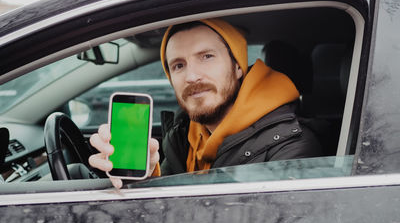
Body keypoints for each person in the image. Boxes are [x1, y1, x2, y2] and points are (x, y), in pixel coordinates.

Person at [89, 18, 322, 188]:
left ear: (238, 66)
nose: (192, 76)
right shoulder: (184, 136)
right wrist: (147, 179)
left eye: (207, 57)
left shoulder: (293, 147)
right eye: (178, 65)